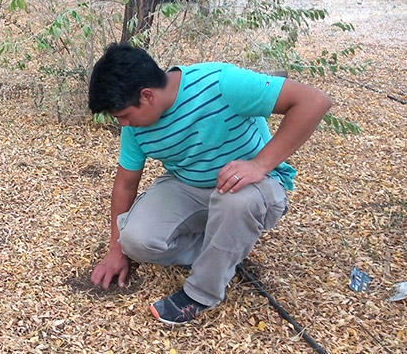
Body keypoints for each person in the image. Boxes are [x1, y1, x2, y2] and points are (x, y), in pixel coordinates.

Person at [87, 43, 332, 325]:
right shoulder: (135, 129)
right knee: (135, 240)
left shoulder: (220, 83)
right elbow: (125, 186)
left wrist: (259, 164)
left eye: (125, 116)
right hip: (187, 184)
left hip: (253, 186)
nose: (124, 125)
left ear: (147, 95)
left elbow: (314, 101)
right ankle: (223, 248)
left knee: (237, 202)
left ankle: (201, 293)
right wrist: (116, 250)